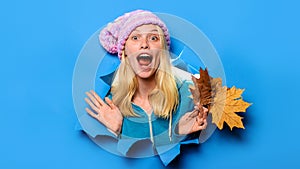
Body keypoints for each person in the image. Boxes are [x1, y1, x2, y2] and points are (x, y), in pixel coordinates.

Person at [84, 9, 208, 165]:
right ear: (125, 53)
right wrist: (119, 130)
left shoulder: (186, 94)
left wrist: (179, 132)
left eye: (154, 38)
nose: (144, 44)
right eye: (135, 37)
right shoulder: (110, 106)